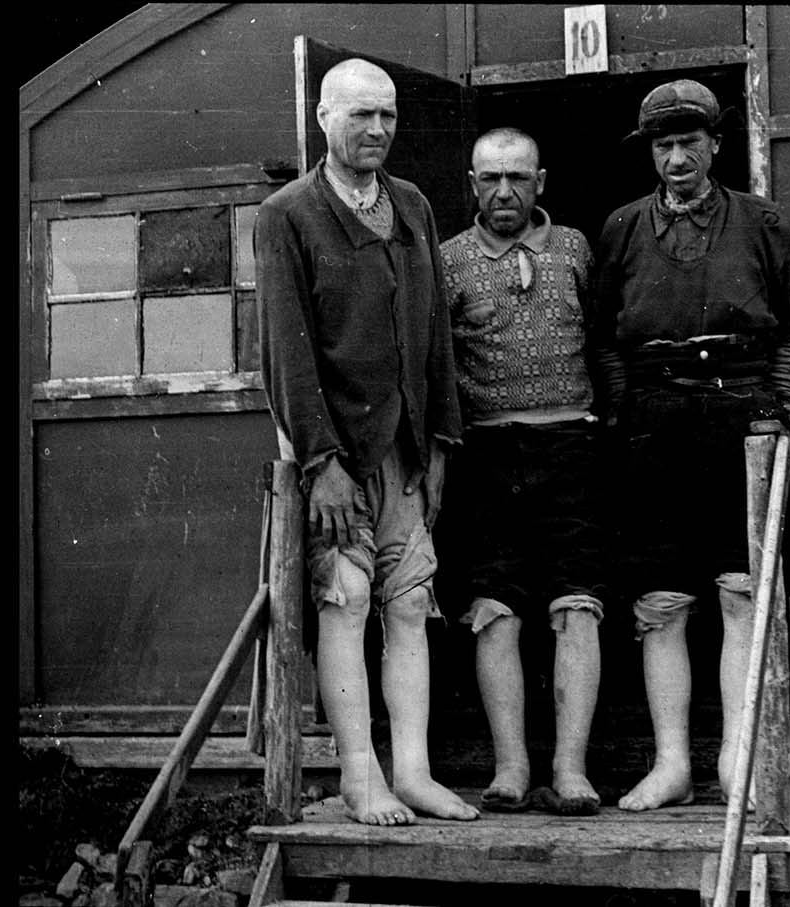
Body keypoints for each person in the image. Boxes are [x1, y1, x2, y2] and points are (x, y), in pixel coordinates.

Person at [254, 58, 479, 826]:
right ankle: (360, 774)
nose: (377, 129)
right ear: (323, 118)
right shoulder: (288, 214)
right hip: (338, 458)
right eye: (360, 115)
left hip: (408, 451)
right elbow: (286, 348)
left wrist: (441, 437)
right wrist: (319, 462)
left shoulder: (412, 204)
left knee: (411, 605)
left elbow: (436, 336)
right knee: (345, 605)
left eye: (386, 115)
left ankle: (411, 770)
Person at [592, 79, 790, 811]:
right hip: (653, 421)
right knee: (660, 600)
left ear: (717, 144)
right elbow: (603, 343)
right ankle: (673, 764)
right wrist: (626, 411)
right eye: (664, 143)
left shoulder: (761, 221)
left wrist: (782, 416)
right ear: (650, 153)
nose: (677, 156)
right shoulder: (620, 228)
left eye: (690, 141)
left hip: (741, 410)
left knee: (741, 593)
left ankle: (737, 763)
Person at [438, 128, 622, 815]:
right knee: (494, 608)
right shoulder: (449, 260)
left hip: (572, 444)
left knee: (577, 602)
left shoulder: (575, 248)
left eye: (517, 177)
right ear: (472, 182)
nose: (504, 192)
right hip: (486, 453)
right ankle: (511, 767)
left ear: (540, 180)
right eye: (490, 178)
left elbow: (604, 338)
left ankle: (570, 770)